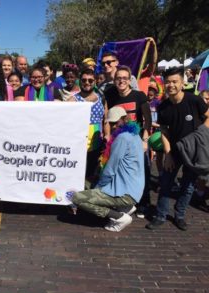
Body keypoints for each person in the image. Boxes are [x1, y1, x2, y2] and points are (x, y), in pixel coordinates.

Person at [146, 67, 209, 231]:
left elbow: (208, 115)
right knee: (165, 183)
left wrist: (201, 135)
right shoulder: (163, 107)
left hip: (194, 152)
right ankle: (160, 215)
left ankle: (179, 215)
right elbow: (164, 131)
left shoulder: (194, 100)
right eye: (168, 82)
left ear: (182, 83)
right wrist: (168, 154)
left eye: (175, 82)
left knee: (188, 187)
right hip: (174, 150)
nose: (171, 85)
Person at [71, 106, 144, 232]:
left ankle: (119, 217)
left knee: (77, 198)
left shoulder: (122, 138)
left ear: (124, 119)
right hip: (133, 189)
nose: (114, 126)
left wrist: (99, 187)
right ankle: (125, 208)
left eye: (116, 122)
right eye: (111, 123)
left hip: (124, 192)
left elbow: (111, 168)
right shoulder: (135, 135)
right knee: (85, 182)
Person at [104, 66, 152, 218]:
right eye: (119, 78)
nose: (121, 81)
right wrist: (107, 135)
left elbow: (148, 119)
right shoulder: (110, 94)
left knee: (142, 172)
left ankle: (144, 204)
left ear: (130, 79)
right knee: (119, 172)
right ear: (114, 79)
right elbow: (106, 116)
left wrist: (145, 139)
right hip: (118, 140)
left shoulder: (139, 96)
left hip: (136, 141)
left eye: (125, 78)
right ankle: (124, 202)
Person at [74, 68, 109, 182]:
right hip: (79, 143)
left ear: (95, 81)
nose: (87, 83)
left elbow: (106, 119)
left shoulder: (102, 98)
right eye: (84, 80)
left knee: (92, 174)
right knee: (78, 173)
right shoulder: (72, 100)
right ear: (79, 81)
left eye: (90, 80)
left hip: (96, 143)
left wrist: (107, 135)